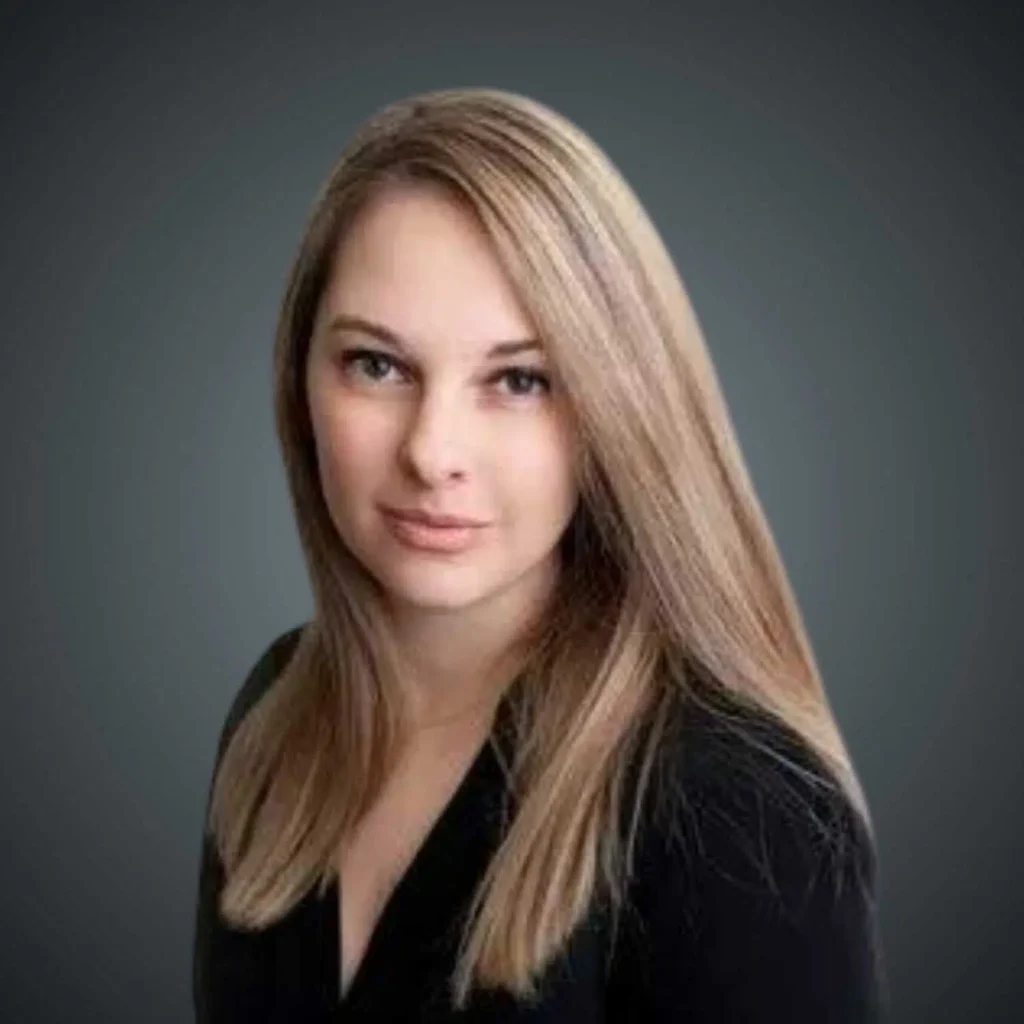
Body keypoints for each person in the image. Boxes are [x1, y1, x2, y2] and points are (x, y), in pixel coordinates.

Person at [192, 87, 887, 1021]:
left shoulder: (735, 809)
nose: (432, 452)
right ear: (300, 379)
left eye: (519, 380)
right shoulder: (279, 714)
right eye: (378, 365)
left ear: (616, 411)